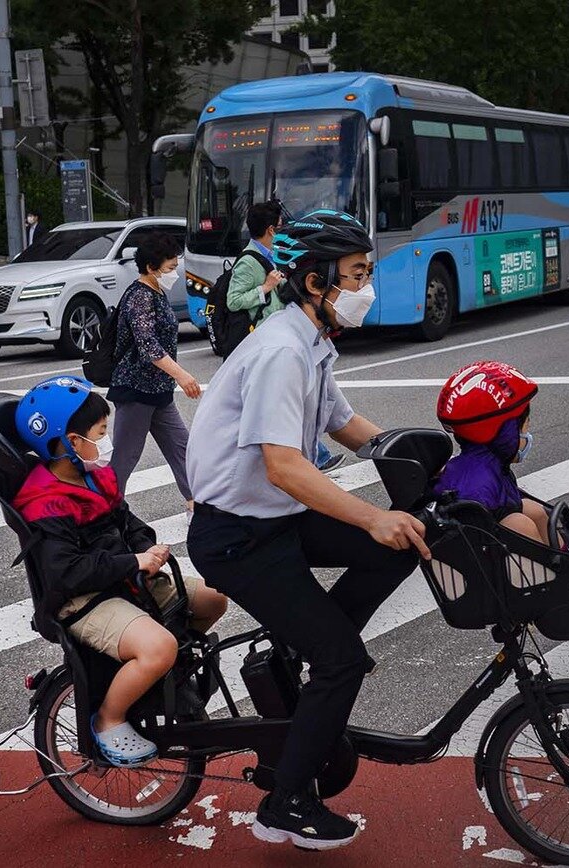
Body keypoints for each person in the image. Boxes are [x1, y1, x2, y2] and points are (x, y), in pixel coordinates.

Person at [185, 209, 426, 851]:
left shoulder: (312, 342)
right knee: (343, 658)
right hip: (237, 537)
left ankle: (307, 647)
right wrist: (374, 512)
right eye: (356, 274)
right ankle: (285, 804)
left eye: (367, 272)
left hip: (275, 522)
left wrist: (430, 460)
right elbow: (285, 467)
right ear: (316, 282)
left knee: (399, 546)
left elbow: (346, 424)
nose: (366, 287)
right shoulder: (281, 351)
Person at [12, 375, 227, 766]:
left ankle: (166, 670)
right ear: (73, 443)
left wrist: (146, 547)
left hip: (120, 578)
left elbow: (127, 522)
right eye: (101, 432)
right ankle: (108, 719)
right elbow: (67, 573)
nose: (107, 440)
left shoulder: (94, 476)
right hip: (84, 599)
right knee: (158, 648)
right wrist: (132, 562)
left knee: (214, 600)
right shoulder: (46, 502)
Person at [226, 201, 343, 473]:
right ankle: (313, 457)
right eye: (279, 227)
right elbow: (233, 301)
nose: (282, 231)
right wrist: (265, 288)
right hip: (262, 338)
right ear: (270, 229)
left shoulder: (272, 255)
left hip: (282, 332)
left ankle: (315, 455)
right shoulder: (249, 261)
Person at [108, 232, 200, 509]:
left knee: (183, 450)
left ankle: (198, 504)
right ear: (151, 267)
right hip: (136, 388)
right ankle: (103, 514)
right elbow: (148, 345)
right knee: (124, 458)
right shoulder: (139, 296)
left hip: (157, 390)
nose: (175, 272)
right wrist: (182, 375)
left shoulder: (156, 291)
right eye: (171, 268)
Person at [434, 361, 548, 542]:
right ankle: (561, 567)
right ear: (505, 433)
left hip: (484, 530)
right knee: (520, 524)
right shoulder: (483, 482)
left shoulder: (470, 466)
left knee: (535, 512)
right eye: (524, 428)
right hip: (491, 557)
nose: (526, 435)